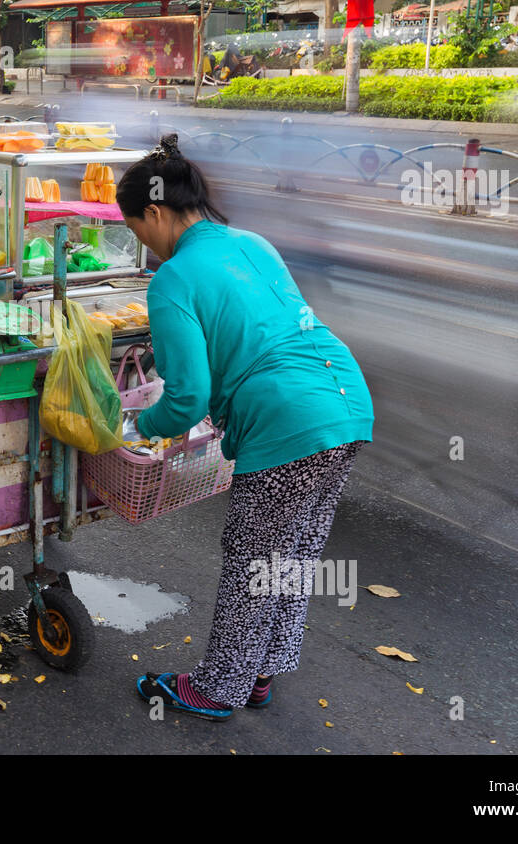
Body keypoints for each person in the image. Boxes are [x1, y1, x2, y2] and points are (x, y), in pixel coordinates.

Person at [124, 134, 373, 720]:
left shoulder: (174, 278)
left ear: (155, 212)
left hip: (289, 419)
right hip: (344, 401)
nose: (142, 242)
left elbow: (186, 400)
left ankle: (216, 689)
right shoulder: (251, 242)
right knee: (293, 552)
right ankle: (257, 671)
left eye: (135, 227)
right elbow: (255, 327)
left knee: (254, 558)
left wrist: (137, 423)